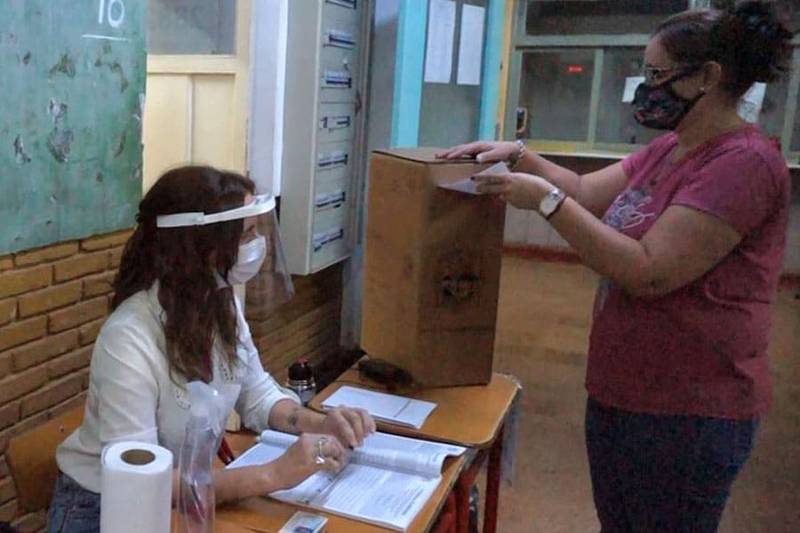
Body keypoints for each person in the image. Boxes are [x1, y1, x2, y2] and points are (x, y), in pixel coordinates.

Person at [439, 2, 793, 531]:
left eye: (657, 75)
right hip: (625, 391)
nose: (645, 88)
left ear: (708, 77)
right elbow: (585, 190)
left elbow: (649, 271)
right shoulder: (671, 147)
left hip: (688, 411)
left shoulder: (743, 164)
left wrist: (544, 203)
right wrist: (516, 155)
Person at [47, 166, 376, 532]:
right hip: (104, 509)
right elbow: (142, 480)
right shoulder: (128, 338)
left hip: (186, 498)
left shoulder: (221, 303)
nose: (258, 245)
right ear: (200, 247)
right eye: (246, 234)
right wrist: (272, 474)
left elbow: (258, 396)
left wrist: (321, 423)